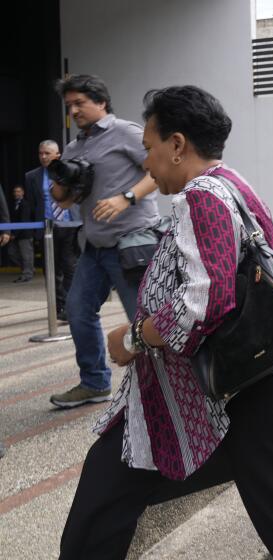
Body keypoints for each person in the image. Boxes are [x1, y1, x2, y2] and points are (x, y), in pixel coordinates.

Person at [59, 85, 273, 560]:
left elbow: (206, 299)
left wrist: (133, 336)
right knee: (110, 485)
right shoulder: (234, 184)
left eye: (150, 150)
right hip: (241, 385)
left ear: (177, 145)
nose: (147, 166)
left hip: (248, 389)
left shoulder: (204, 197)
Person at [48, 75, 160, 409]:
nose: (74, 110)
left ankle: (162, 388)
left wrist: (126, 197)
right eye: (69, 105)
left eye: (80, 102)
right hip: (94, 247)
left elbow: (159, 170)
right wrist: (61, 184)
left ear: (101, 101)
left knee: (144, 318)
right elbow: (66, 201)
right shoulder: (74, 147)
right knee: (78, 311)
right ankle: (95, 383)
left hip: (132, 242)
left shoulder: (124, 132)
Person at [25, 140, 82, 320]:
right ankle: (59, 307)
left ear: (57, 155)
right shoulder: (31, 176)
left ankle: (71, 305)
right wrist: (29, 232)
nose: (43, 157)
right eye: (40, 153)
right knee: (51, 271)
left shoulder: (69, 171)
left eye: (47, 153)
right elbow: (30, 205)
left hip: (70, 226)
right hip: (48, 229)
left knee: (70, 267)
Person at [8, 185, 36, 282]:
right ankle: (29, 268)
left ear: (23, 193)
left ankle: (27, 275)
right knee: (12, 253)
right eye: (15, 192)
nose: (16, 193)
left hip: (24, 234)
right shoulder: (13, 204)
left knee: (26, 255)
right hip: (16, 234)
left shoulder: (25, 204)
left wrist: (14, 234)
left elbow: (24, 220)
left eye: (19, 191)